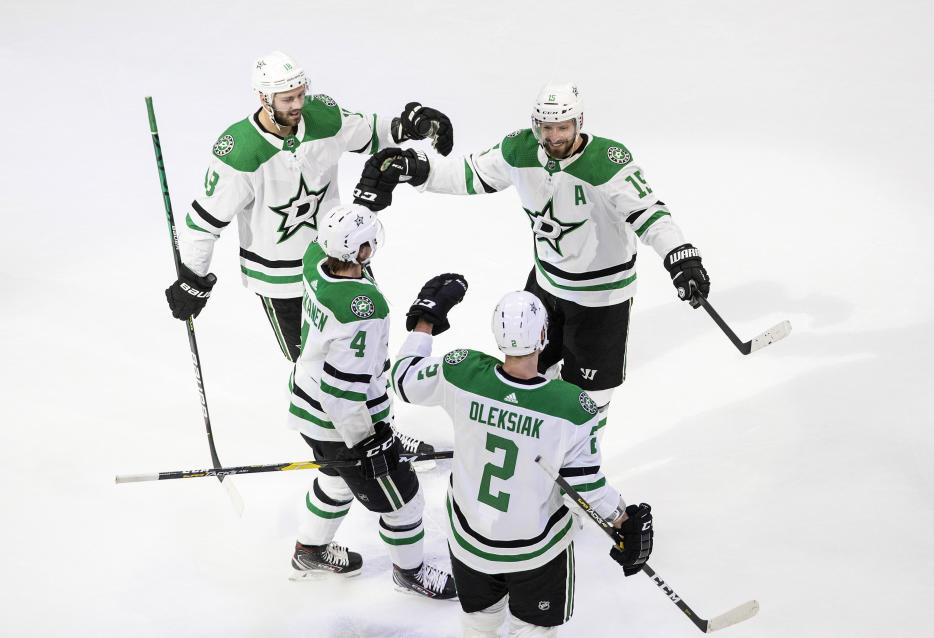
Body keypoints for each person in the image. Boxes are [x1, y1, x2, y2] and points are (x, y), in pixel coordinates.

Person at [363, 82, 712, 442]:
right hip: (545, 285)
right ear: (536, 125)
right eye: (547, 128)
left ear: (579, 122)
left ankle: (578, 467)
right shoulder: (519, 149)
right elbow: (468, 174)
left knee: (587, 402)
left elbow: (649, 214)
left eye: (563, 127)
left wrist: (681, 256)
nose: (555, 136)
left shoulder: (608, 161)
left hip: (599, 299)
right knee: (524, 374)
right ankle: (525, 453)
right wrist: (417, 169)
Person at [163, 50, 452, 453]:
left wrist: (410, 126)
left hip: (339, 255)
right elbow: (204, 221)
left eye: (300, 94)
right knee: (313, 365)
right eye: (288, 99)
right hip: (280, 278)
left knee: (367, 352)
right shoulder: (239, 149)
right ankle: (339, 439)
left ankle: (382, 432)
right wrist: (193, 279)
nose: (298, 104)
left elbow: (367, 130)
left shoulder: (322, 116)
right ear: (264, 98)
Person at [390, 285, 654, 636]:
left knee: (478, 625)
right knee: (534, 631)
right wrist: (623, 519)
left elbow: (403, 378)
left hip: (471, 542)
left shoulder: (463, 372)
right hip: (535, 553)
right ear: (544, 336)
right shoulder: (570, 407)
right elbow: (584, 486)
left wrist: (425, 322)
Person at [285, 204, 457, 600]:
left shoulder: (315, 259)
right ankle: (409, 572)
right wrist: (367, 441)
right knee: (406, 503)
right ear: (358, 250)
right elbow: (342, 393)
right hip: (342, 422)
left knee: (335, 480)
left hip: (307, 404)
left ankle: (308, 551)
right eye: (367, 242)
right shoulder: (362, 311)